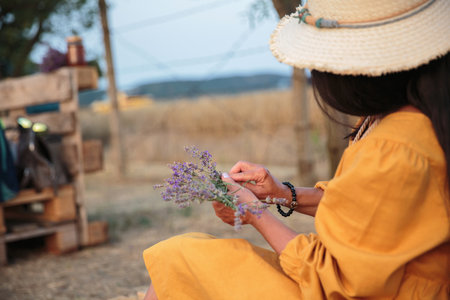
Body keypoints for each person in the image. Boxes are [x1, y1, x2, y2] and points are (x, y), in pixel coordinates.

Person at [143, 0, 450, 299]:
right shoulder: (419, 118)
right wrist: (278, 192)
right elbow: (365, 210)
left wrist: (253, 212)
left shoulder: (393, 146)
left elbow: (338, 282)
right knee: (184, 257)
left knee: (179, 259)